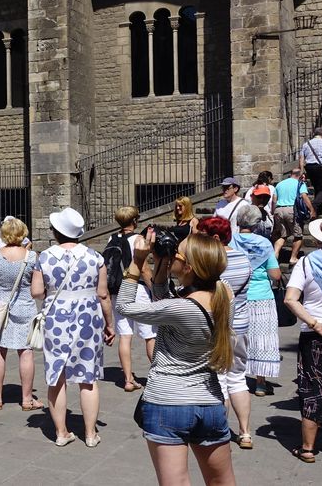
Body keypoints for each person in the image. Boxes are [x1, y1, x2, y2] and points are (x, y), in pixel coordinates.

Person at [117, 232, 236, 485]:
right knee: (222, 481)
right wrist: (162, 263)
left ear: (189, 267)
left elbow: (125, 306)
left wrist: (137, 262)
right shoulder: (225, 296)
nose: (174, 256)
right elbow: (164, 300)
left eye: (177, 254)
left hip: (168, 403)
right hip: (210, 402)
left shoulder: (181, 308)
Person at [30, 207, 115, 447]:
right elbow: (103, 295)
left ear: (56, 232)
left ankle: (61, 433)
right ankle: (90, 433)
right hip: (88, 317)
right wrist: (110, 324)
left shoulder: (44, 258)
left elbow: (36, 292)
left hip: (56, 317)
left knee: (57, 375)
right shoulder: (95, 257)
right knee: (88, 377)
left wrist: (53, 292)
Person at [198, 216, 253, 450]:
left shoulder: (213, 262)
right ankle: (245, 432)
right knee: (238, 378)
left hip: (220, 328)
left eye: (203, 235)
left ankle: (219, 433)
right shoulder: (244, 258)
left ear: (215, 238)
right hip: (241, 325)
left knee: (219, 380)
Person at [0, 217, 40, 410]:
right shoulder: (32, 256)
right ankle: (27, 399)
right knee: (26, 352)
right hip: (25, 306)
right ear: (22, 234)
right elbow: (36, 284)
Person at [283, 215, 322, 464]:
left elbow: (290, 299)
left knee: (313, 386)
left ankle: (308, 448)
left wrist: (314, 323)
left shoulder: (306, 263)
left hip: (315, 334)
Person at [231, 205, 281, 397]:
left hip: (237, 295)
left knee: (237, 338)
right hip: (261, 296)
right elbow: (275, 275)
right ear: (256, 223)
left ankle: (236, 377)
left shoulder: (231, 240)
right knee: (262, 339)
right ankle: (260, 383)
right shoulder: (264, 243)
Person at [108, 207, 157, 393]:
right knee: (149, 334)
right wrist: (155, 290)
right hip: (137, 289)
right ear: (134, 221)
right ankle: (158, 376)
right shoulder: (138, 239)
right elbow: (143, 268)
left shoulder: (112, 238)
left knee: (125, 335)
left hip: (117, 290)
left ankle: (128, 379)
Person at [273, 168, 316, 265]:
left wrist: (273, 211)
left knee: (282, 235)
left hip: (278, 210)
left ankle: (275, 254)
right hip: (292, 210)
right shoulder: (300, 183)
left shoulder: (280, 184)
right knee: (298, 235)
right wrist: (312, 210)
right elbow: (304, 196)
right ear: (300, 175)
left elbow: (274, 200)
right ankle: (293, 258)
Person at [299, 127, 322, 216]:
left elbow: (301, 159)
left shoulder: (306, 144)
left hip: (309, 167)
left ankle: (318, 210)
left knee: (317, 187)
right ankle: (313, 207)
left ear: (314, 134)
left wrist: (302, 171)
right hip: (320, 167)